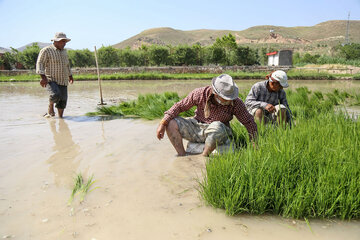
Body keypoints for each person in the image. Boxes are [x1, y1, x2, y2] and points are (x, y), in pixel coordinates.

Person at [156, 74, 257, 157]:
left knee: (217, 126)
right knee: (171, 123)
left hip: (219, 132)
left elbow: (248, 121)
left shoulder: (236, 103)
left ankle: (204, 156)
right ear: (215, 93)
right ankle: (182, 155)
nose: (229, 100)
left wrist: (254, 142)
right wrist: (163, 123)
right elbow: (180, 106)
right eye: (225, 98)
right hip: (198, 127)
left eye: (230, 98)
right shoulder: (200, 93)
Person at [36, 32, 74, 118]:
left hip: (63, 80)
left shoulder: (64, 52)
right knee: (55, 95)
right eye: (62, 41)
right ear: (56, 41)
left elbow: (67, 65)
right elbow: (40, 63)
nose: (64, 43)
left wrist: (70, 76)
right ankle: (50, 106)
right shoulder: (47, 50)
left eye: (65, 42)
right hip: (51, 79)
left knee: (63, 101)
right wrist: (43, 77)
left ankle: (61, 118)